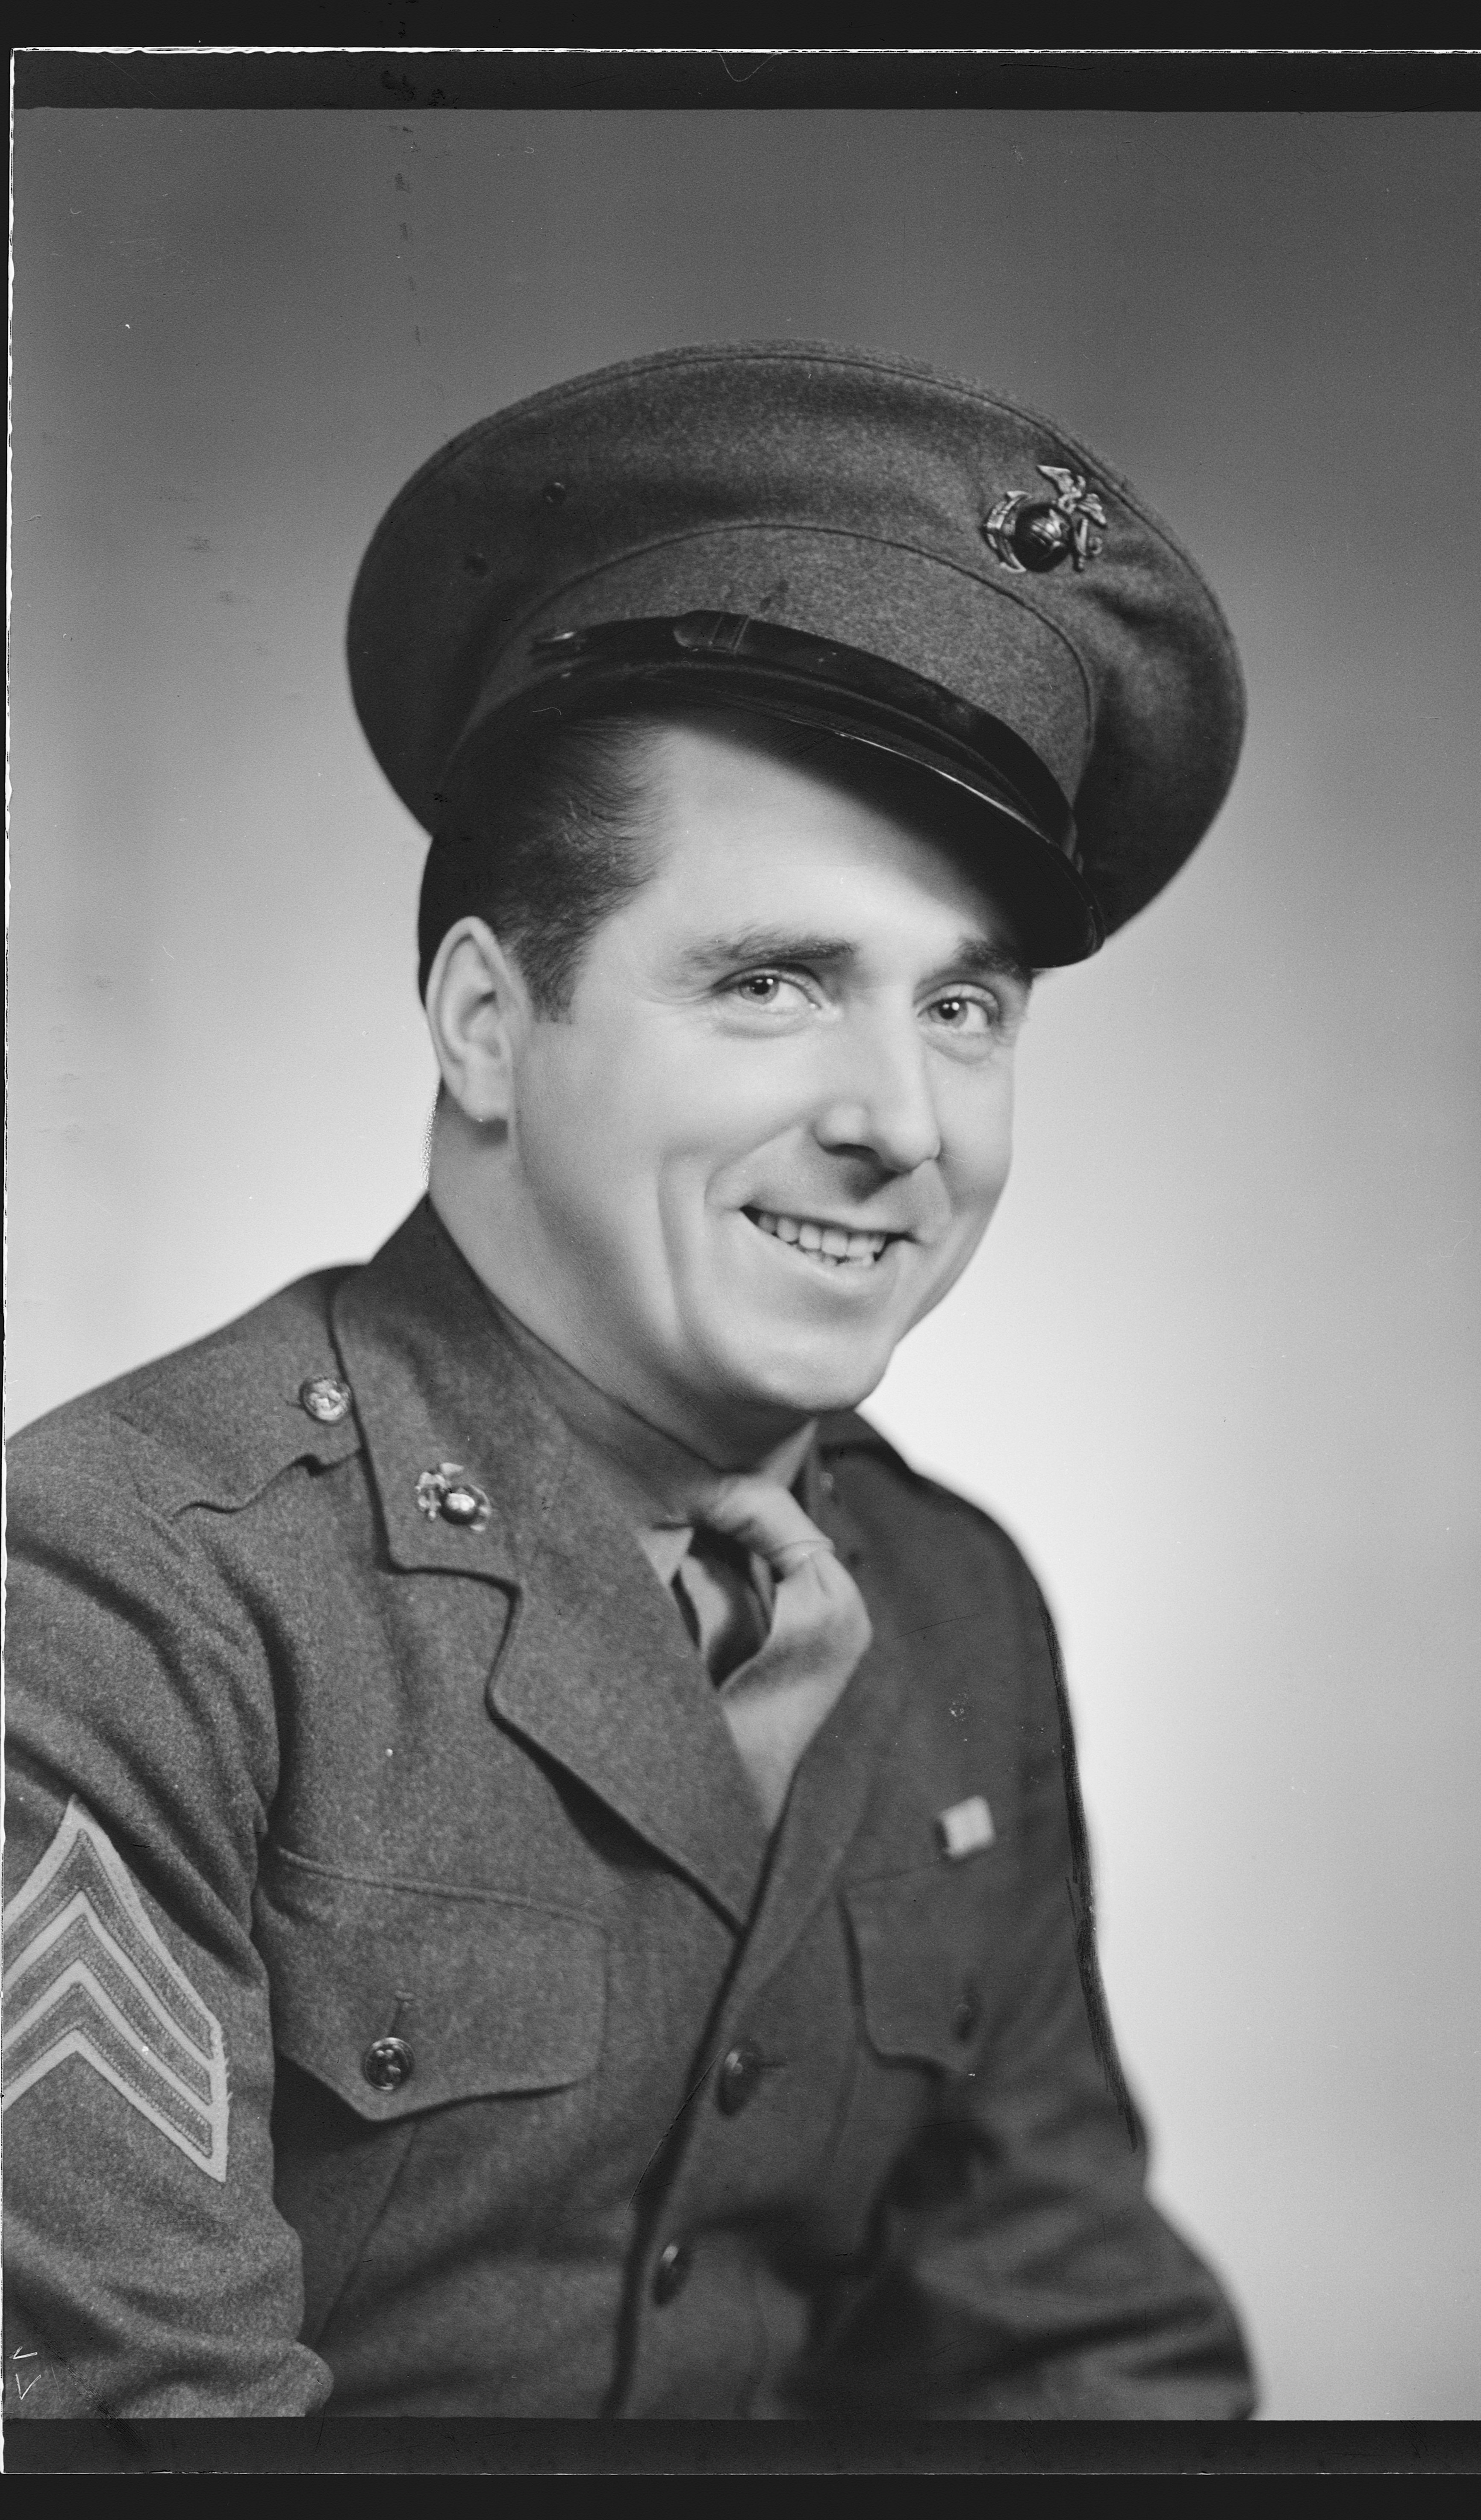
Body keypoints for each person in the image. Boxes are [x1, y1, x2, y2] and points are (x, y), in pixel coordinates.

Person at [4, 342, 1258, 2418]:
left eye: (965, 1006)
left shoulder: (953, 1614)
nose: (901, 1120)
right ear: (489, 1022)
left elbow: (1080, 2366)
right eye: (773, 983)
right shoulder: (119, 1600)